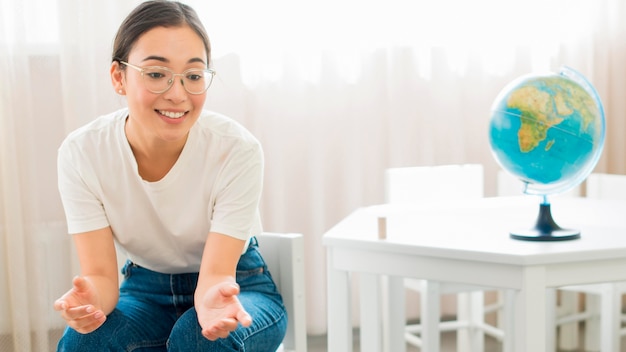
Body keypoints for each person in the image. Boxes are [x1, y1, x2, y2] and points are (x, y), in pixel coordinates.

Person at [53, 1, 287, 351]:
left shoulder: (237, 149)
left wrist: (210, 301)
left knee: (199, 339)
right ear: (119, 77)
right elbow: (101, 277)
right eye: (156, 74)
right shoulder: (82, 153)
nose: (178, 94)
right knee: (83, 342)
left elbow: (216, 277)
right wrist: (88, 307)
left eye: (193, 76)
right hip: (145, 290)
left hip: (238, 284)